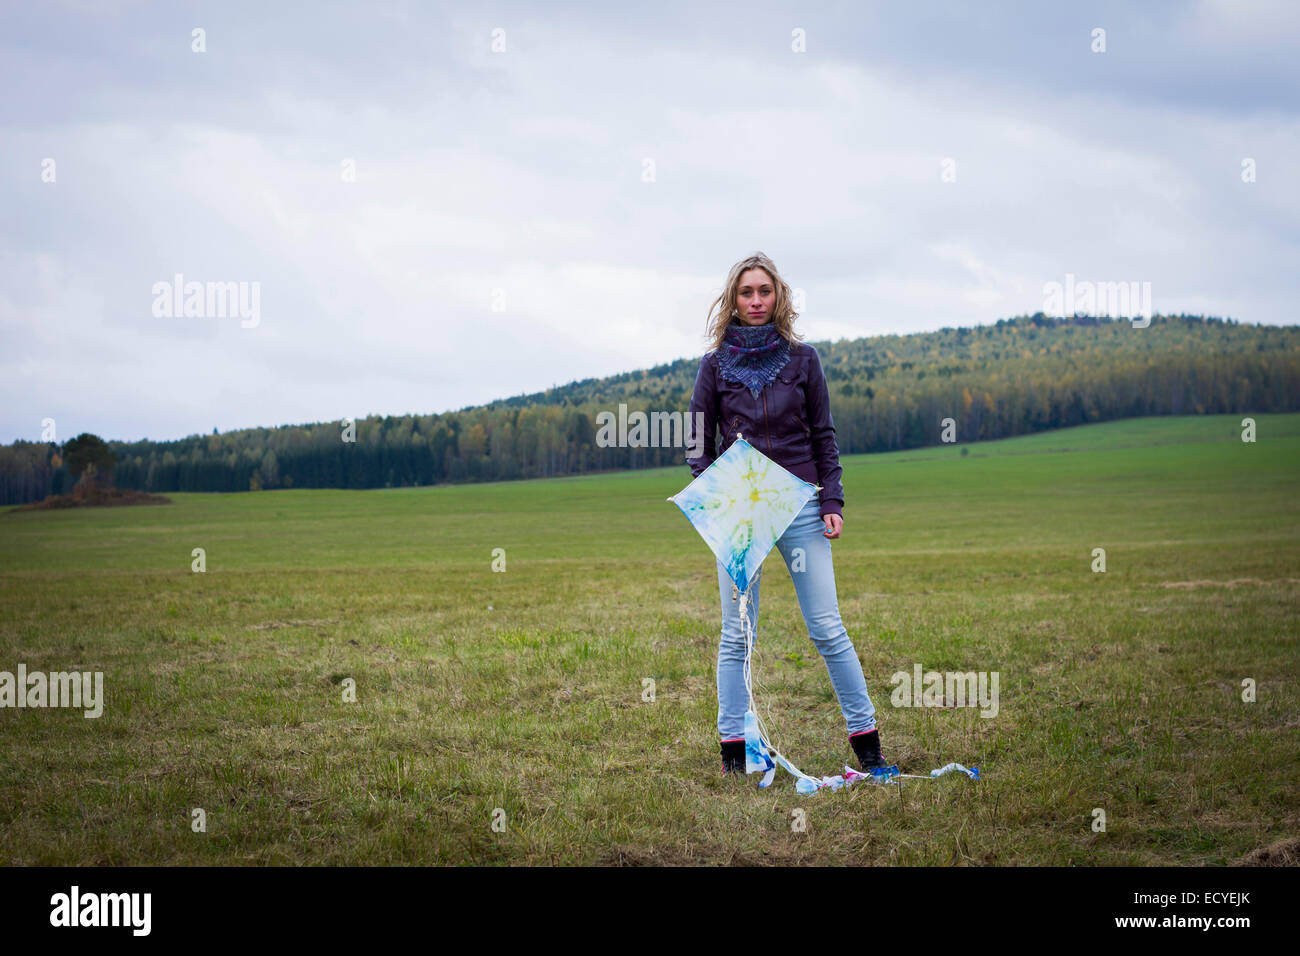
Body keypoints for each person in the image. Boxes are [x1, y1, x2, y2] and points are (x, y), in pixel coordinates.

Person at [686, 252, 890, 777]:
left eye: (765, 292)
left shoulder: (804, 361)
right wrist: (718, 497)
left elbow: (824, 435)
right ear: (732, 298)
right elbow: (696, 441)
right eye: (746, 292)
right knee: (737, 635)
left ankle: (869, 751)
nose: (756, 301)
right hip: (742, 512)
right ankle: (734, 758)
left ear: (779, 298)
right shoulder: (712, 367)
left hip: (800, 505)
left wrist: (832, 501)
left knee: (826, 627)